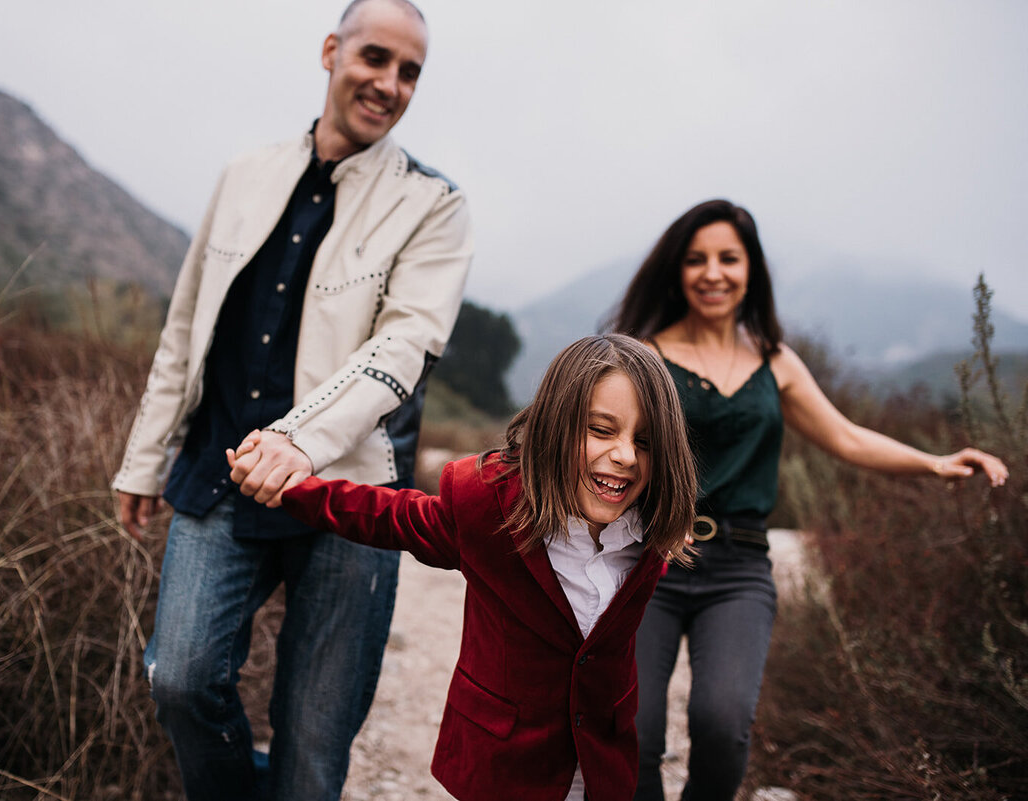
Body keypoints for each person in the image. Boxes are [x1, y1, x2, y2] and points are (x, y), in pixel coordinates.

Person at [110, 1, 473, 799]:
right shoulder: (244, 174)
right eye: (375, 58)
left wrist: (300, 442)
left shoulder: (435, 205)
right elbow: (185, 325)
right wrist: (143, 458)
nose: (389, 83)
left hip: (353, 497)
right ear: (330, 51)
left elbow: (402, 348)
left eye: (410, 71)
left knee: (313, 746)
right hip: (221, 470)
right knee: (178, 678)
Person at [606, 198, 1010, 801]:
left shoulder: (777, 362)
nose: (712, 272)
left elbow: (845, 436)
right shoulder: (645, 357)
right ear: (676, 271)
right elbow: (611, 448)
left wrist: (936, 463)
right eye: (696, 260)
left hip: (739, 570)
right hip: (649, 560)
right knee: (634, 731)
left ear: (751, 271)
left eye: (728, 258)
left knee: (723, 726)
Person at [230, 334, 700, 801]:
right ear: (556, 425)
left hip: (600, 765)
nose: (624, 455)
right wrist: (290, 488)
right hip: (502, 766)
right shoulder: (486, 509)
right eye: (601, 430)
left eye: (644, 441)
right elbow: (386, 517)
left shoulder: (651, 532)